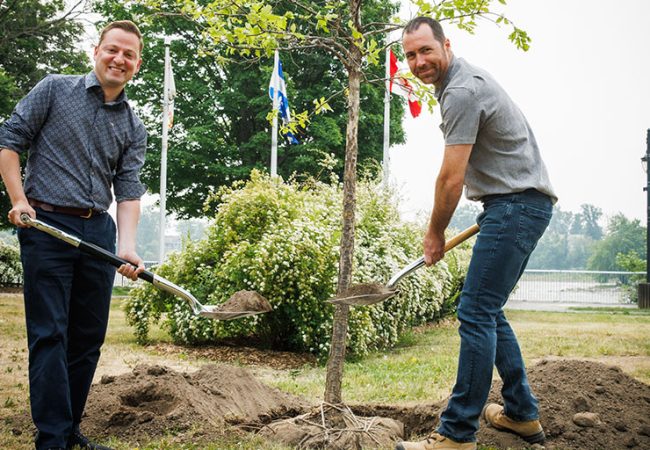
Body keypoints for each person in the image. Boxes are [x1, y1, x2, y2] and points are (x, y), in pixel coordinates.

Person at [395, 17, 557, 450]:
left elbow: (451, 178)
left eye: (425, 50)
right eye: (410, 55)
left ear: (447, 45)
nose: (418, 61)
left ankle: (456, 434)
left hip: (516, 205)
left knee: (474, 312)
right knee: (487, 309)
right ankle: (522, 415)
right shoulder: (462, 83)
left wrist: (434, 234)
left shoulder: (462, 92)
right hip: (514, 204)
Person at [0, 20, 147, 450]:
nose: (119, 59)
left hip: (97, 230)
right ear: (97, 50)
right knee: (51, 334)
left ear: (136, 65)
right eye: (113, 50)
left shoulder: (134, 126)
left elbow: (130, 189)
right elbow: (9, 141)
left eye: (129, 55)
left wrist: (127, 247)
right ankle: (52, 439)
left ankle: (68, 432)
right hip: (46, 226)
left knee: (86, 340)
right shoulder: (54, 89)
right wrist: (19, 199)